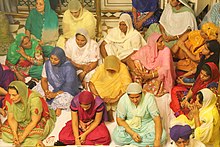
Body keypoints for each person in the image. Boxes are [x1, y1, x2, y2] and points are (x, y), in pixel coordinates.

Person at [1, 81, 56, 146]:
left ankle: (30, 141)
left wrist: (22, 137)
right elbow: (11, 118)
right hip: (20, 122)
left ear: (21, 93)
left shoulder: (34, 99)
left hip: (34, 121)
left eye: (14, 95)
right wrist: (15, 135)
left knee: (38, 134)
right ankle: (33, 142)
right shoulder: (9, 98)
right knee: (5, 134)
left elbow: (34, 121)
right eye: (10, 94)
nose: (11, 97)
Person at [34, 47, 80, 116]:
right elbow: (44, 79)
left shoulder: (69, 68)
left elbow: (69, 87)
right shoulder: (47, 64)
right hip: (52, 85)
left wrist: (55, 94)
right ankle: (53, 105)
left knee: (68, 99)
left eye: (56, 59)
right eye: (51, 58)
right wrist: (46, 91)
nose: (52, 61)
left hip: (65, 89)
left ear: (61, 59)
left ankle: (58, 107)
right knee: (36, 92)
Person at [89, 55, 132, 121]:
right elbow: (91, 83)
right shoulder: (102, 66)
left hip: (116, 89)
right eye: (109, 70)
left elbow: (127, 84)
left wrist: (115, 98)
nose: (111, 71)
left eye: (112, 70)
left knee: (125, 91)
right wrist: (98, 96)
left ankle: (109, 107)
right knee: (96, 87)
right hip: (102, 89)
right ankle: (106, 107)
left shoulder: (122, 67)